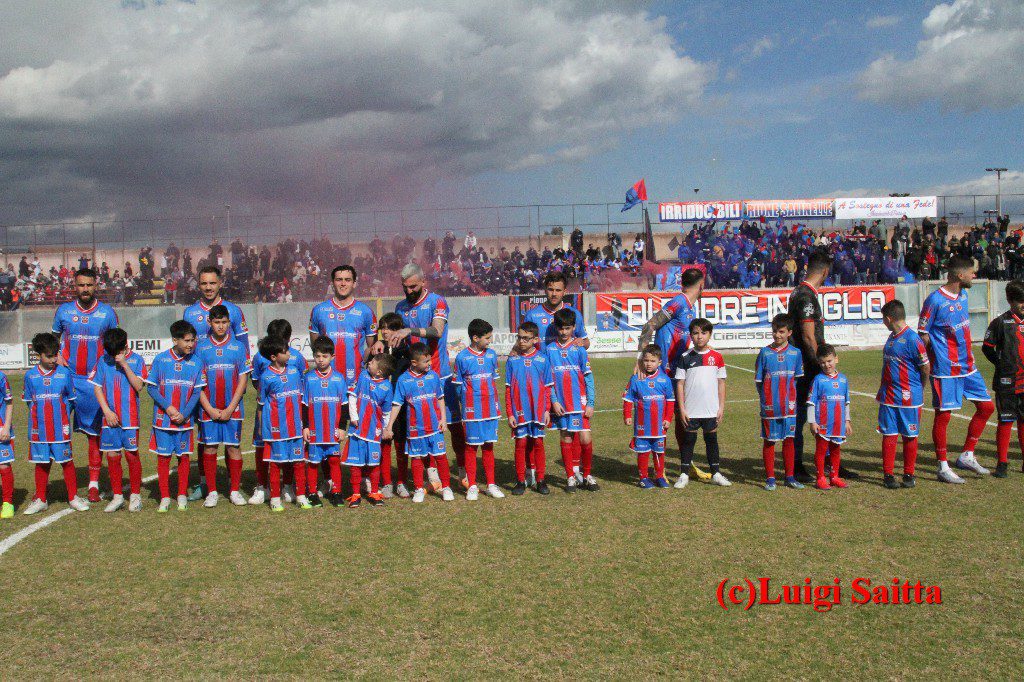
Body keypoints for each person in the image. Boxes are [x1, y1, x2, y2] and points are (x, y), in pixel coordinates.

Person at [383, 264, 464, 493]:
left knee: (454, 425)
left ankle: (462, 471)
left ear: (423, 281)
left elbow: (437, 331)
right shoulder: (400, 308)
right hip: (414, 378)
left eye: (413, 286)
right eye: (404, 287)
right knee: (421, 426)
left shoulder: (437, 301)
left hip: (440, 374)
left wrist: (411, 331)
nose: (408, 291)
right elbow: (395, 339)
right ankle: (431, 473)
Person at [919, 255, 995, 483]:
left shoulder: (964, 294)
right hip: (946, 370)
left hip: (968, 365)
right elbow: (923, 334)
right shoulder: (934, 300)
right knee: (944, 415)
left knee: (987, 408)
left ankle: (967, 455)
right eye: (972, 272)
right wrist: (931, 357)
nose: (975, 275)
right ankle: (943, 466)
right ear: (960, 275)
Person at [51, 267, 119, 503]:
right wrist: (57, 354)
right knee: (57, 430)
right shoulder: (64, 311)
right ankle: (49, 488)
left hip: (93, 382)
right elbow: (53, 339)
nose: (85, 289)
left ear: (95, 285)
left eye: (89, 285)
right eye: (81, 285)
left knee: (94, 434)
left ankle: (92, 484)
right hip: (67, 379)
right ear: (75, 286)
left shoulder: (107, 313)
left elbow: (115, 343)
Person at [787, 250, 855, 482]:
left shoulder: (799, 291)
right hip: (807, 368)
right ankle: (799, 466)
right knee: (811, 415)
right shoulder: (806, 296)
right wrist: (822, 366)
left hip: (804, 366)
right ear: (825, 271)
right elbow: (808, 337)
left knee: (818, 414)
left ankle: (829, 463)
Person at [641, 267, 713, 483]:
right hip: (664, 375)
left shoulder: (689, 308)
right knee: (661, 422)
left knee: (684, 421)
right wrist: (642, 360)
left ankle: (685, 465)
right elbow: (650, 324)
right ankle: (658, 470)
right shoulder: (678, 302)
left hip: (679, 374)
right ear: (701, 285)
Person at [23, 333, 88, 514]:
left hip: (61, 428)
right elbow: (30, 402)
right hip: (39, 429)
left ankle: (73, 497)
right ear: (39, 355)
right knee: (41, 463)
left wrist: (64, 418)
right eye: (49, 356)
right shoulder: (30, 376)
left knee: (66, 461)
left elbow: (71, 399)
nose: (53, 359)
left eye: (55, 355)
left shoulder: (64, 373)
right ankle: (41, 499)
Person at [146, 321, 206, 513]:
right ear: (175, 340)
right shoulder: (161, 360)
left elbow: (197, 393)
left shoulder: (196, 362)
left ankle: (181, 494)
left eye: (193, 341)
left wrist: (185, 413)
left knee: (184, 458)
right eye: (187, 341)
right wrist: (169, 408)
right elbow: (152, 388)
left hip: (185, 422)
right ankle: (164, 496)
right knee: (163, 458)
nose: (191, 344)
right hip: (163, 421)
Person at [195, 305, 250, 507]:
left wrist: (230, 407)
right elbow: (198, 383)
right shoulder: (201, 348)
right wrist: (209, 409)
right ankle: (211, 492)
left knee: (234, 448)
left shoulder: (238, 347)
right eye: (216, 322)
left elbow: (243, 380)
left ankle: (234, 490)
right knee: (209, 448)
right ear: (209, 323)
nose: (220, 326)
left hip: (232, 408)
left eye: (224, 322)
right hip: (208, 408)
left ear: (229, 323)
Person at [383, 342, 453, 504]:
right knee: (416, 458)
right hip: (415, 429)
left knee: (440, 457)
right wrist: (389, 426)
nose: (429, 364)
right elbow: (397, 404)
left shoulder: (433, 376)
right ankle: (419, 488)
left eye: (430, 361)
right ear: (414, 363)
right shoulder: (404, 380)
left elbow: (440, 398)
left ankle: (446, 487)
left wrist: (443, 419)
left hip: (434, 427)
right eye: (426, 362)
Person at [248, 319, 307, 505]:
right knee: (263, 447)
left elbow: (301, 385)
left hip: (291, 413)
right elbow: (257, 382)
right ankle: (262, 487)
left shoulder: (296, 359)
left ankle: (288, 486)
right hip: (269, 411)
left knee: (292, 450)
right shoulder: (259, 358)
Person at [89, 328, 147, 512]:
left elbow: (139, 386)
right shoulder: (103, 360)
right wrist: (106, 411)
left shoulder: (137, 360)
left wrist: (124, 364)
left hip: (130, 418)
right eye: (110, 352)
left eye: (116, 351)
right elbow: (97, 387)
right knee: (112, 455)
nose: (113, 355)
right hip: (110, 418)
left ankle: (135, 496)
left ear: (125, 345)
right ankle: (117, 496)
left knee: (131, 455)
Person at [877, 299, 929, 489]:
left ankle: (909, 473)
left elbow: (925, 367)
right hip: (889, 396)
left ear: (889, 318)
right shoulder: (892, 337)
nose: (883, 322)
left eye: (883, 319)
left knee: (909, 435)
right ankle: (888, 475)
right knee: (889, 434)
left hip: (909, 397)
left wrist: (918, 389)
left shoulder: (913, 340)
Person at [673, 318, 730, 488]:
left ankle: (716, 473)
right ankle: (683, 474)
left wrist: (721, 407)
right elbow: (680, 384)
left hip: (710, 409)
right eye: (696, 333)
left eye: (703, 333)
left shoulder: (717, 357)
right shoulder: (685, 357)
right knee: (688, 441)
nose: (699, 337)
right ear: (691, 335)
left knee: (711, 440)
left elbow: (721, 383)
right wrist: (682, 409)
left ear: (710, 334)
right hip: (691, 410)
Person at [452, 319, 504, 500]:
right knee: (471, 447)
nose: (490, 341)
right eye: (487, 338)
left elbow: (493, 381)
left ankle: (491, 484)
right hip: (472, 410)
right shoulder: (462, 358)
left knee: (488, 446)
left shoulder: (491, 356)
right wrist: (465, 404)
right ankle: (472, 485)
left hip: (490, 408)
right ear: (475, 338)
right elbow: (458, 386)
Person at [547, 308, 597, 492]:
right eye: (560, 328)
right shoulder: (550, 350)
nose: (563, 332)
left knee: (585, 437)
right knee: (566, 436)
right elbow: (548, 380)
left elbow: (588, 377)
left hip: (580, 401)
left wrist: (590, 403)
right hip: (561, 403)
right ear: (555, 327)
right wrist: (554, 401)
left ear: (574, 328)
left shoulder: (579, 349)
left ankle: (587, 475)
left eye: (567, 328)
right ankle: (569, 477)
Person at [755, 314, 804, 491]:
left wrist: (790, 398)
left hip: (789, 406)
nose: (777, 335)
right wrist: (766, 399)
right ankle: (770, 478)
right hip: (770, 405)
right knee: (770, 440)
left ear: (789, 332)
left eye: (781, 332)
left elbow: (797, 379)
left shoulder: (795, 353)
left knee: (789, 439)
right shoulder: (765, 352)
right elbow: (759, 381)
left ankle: (790, 476)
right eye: (775, 331)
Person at [982, 280, 1024, 478]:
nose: (1023, 304)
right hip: (1007, 382)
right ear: (1010, 300)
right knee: (1006, 421)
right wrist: (1001, 364)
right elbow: (987, 347)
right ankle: (1002, 463)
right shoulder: (1000, 322)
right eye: (1020, 301)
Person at [308, 265, 378, 384]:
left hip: (356, 381)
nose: (343, 284)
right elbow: (316, 345)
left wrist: (362, 365)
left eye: (348, 280)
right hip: (326, 381)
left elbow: (373, 349)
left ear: (354, 283)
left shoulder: (366, 312)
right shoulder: (319, 310)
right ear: (332, 283)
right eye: (339, 279)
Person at [301, 336, 349, 507]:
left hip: (332, 429)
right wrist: (305, 426)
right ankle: (312, 493)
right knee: (313, 463)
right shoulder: (309, 378)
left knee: (334, 461)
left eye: (325, 356)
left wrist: (343, 427)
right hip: (315, 429)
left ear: (332, 357)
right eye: (318, 356)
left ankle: (336, 491)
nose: (321, 360)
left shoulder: (338, 378)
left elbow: (344, 405)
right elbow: (305, 404)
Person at [505, 321, 552, 495]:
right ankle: (520, 480)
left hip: (538, 410)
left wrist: (547, 409)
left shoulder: (542, 359)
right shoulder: (512, 360)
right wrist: (510, 413)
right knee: (521, 443)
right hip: (519, 411)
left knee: (538, 443)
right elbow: (508, 388)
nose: (522, 341)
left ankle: (540, 480)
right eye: (519, 337)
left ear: (535, 339)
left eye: (526, 338)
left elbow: (548, 387)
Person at [343, 352, 395, 508]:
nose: (369, 363)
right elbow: (352, 395)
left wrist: (386, 428)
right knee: (355, 464)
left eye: (372, 362)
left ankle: (374, 492)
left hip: (374, 432)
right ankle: (355, 494)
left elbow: (386, 412)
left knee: (374, 464)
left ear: (379, 371)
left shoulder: (387, 387)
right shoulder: (363, 376)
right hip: (357, 430)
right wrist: (354, 416)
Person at [623, 344, 675, 489]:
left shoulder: (665, 380)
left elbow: (670, 401)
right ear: (642, 361)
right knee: (643, 452)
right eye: (646, 360)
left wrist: (668, 418)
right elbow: (628, 399)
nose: (649, 364)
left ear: (659, 362)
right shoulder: (636, 379)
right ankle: (643, 477)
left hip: (659, 425)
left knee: (659, 452)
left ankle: (659, 476)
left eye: (653, 361)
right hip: (642, 425)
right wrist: (627, 415)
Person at [376, 313, 411, 499]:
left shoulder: (406, 354)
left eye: (390, 328)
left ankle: (402, 482)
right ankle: (386, 482)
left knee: (400, 444)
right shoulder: (378, 352)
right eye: (383, 328)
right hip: (381, 408)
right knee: (384, 445)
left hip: (401, 408)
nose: (385, 331)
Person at [807, 344, 852, 490]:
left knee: (836, 450)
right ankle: (820, 477)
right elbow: (811, 402)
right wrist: (812, 421)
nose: (826, 365)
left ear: (836, 359)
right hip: (823, 422)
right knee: (821, 450)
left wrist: (847, 420)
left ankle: (834, 476)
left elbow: (846, 402)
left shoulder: (843, 379)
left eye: (829, 361)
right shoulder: (818, 380)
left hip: (838, 422)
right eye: (822, 362)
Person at [182, 266, 249, 350]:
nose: (208, 288)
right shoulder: (189, 313)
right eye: (204, 283)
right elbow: (185, 346)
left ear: (220, 283)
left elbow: (244, 346)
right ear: (199, 285)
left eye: (212, 283)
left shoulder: (234, 310)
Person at [520, 272, 589, 350]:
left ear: (564, 292)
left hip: (565, 362)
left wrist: (582, 342)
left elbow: (586, 342)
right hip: (543, 361)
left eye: (558, 290)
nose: (554, 294)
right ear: (545, 290)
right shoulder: (531, 315)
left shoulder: (575, 314)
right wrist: (515, 350)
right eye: (550, 289)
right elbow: (522, 341)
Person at [0, 365, 11, 518]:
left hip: (1, 428)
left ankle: (7, 503)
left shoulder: (1, 377)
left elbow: (9, 402)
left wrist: (7, 427)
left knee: (3, 465)